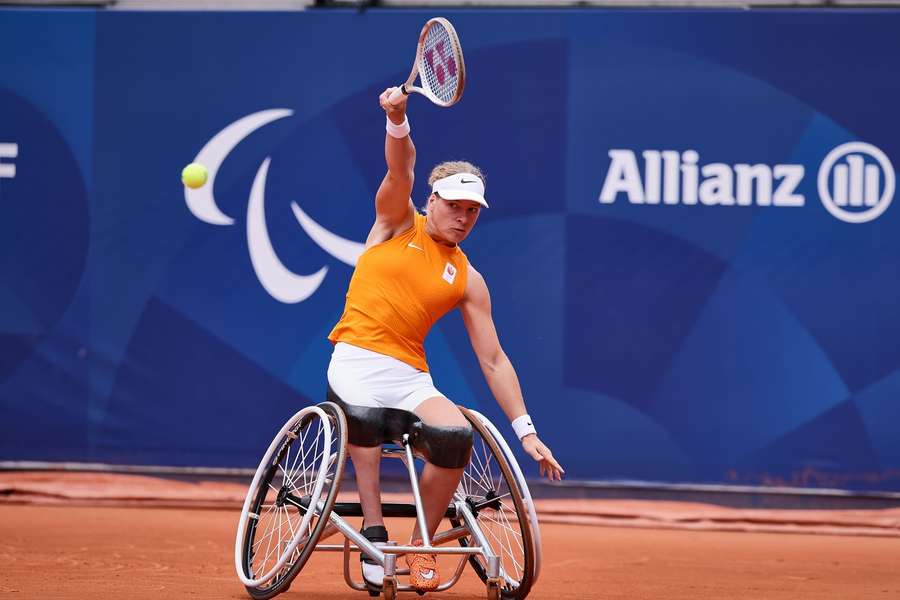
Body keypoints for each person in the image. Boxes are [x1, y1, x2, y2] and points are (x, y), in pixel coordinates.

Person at [326, 87, 564, 593]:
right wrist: (398, 119)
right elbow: (400, 171)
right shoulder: (395, 223)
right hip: (355, 360)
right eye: (453, 205)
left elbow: (494, 359)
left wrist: (526, 432)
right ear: (431, 201)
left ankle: (418, 545)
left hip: (410, 376)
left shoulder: (468, 279)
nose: (462, 217)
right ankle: (373, 528)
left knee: (456, 437)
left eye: (472, 211)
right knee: (362, 420)